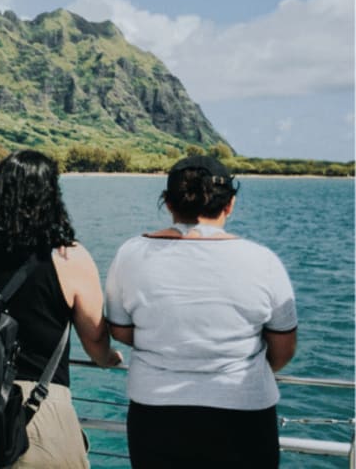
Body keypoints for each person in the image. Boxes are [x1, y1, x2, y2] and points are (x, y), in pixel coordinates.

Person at [104, 155, 297, 468]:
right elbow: (283, 349)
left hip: (156, 413)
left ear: (168, 203)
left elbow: (121, 331)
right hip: (243, 411)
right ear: (229, 205)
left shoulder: (131, 253)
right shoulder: (263, 262)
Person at [0, 149, 122, 469]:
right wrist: (107, 358)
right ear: (52, 195)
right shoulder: (69, 257)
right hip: (38, 410)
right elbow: (94, 338)